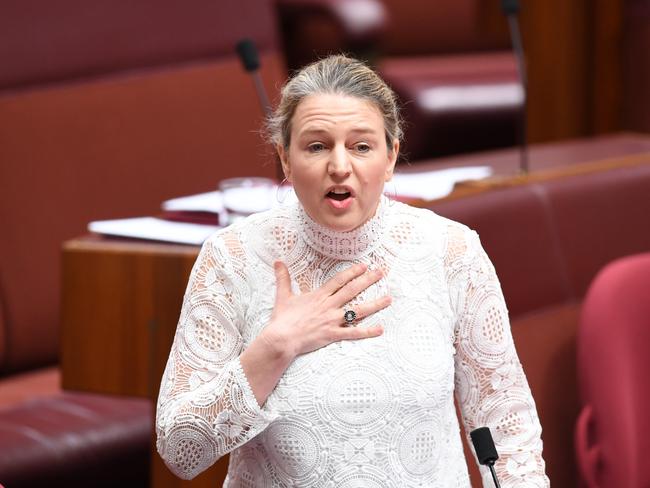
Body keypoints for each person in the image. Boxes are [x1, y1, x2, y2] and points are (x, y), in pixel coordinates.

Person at [156, 55, 549, 487]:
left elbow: (508, 427)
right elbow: (181, 450)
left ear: (392, 156)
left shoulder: (450, 251)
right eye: (317, 146)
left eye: (361, 146)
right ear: (285, 158)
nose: (340, 166)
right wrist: (274, 347)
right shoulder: (231, 257)